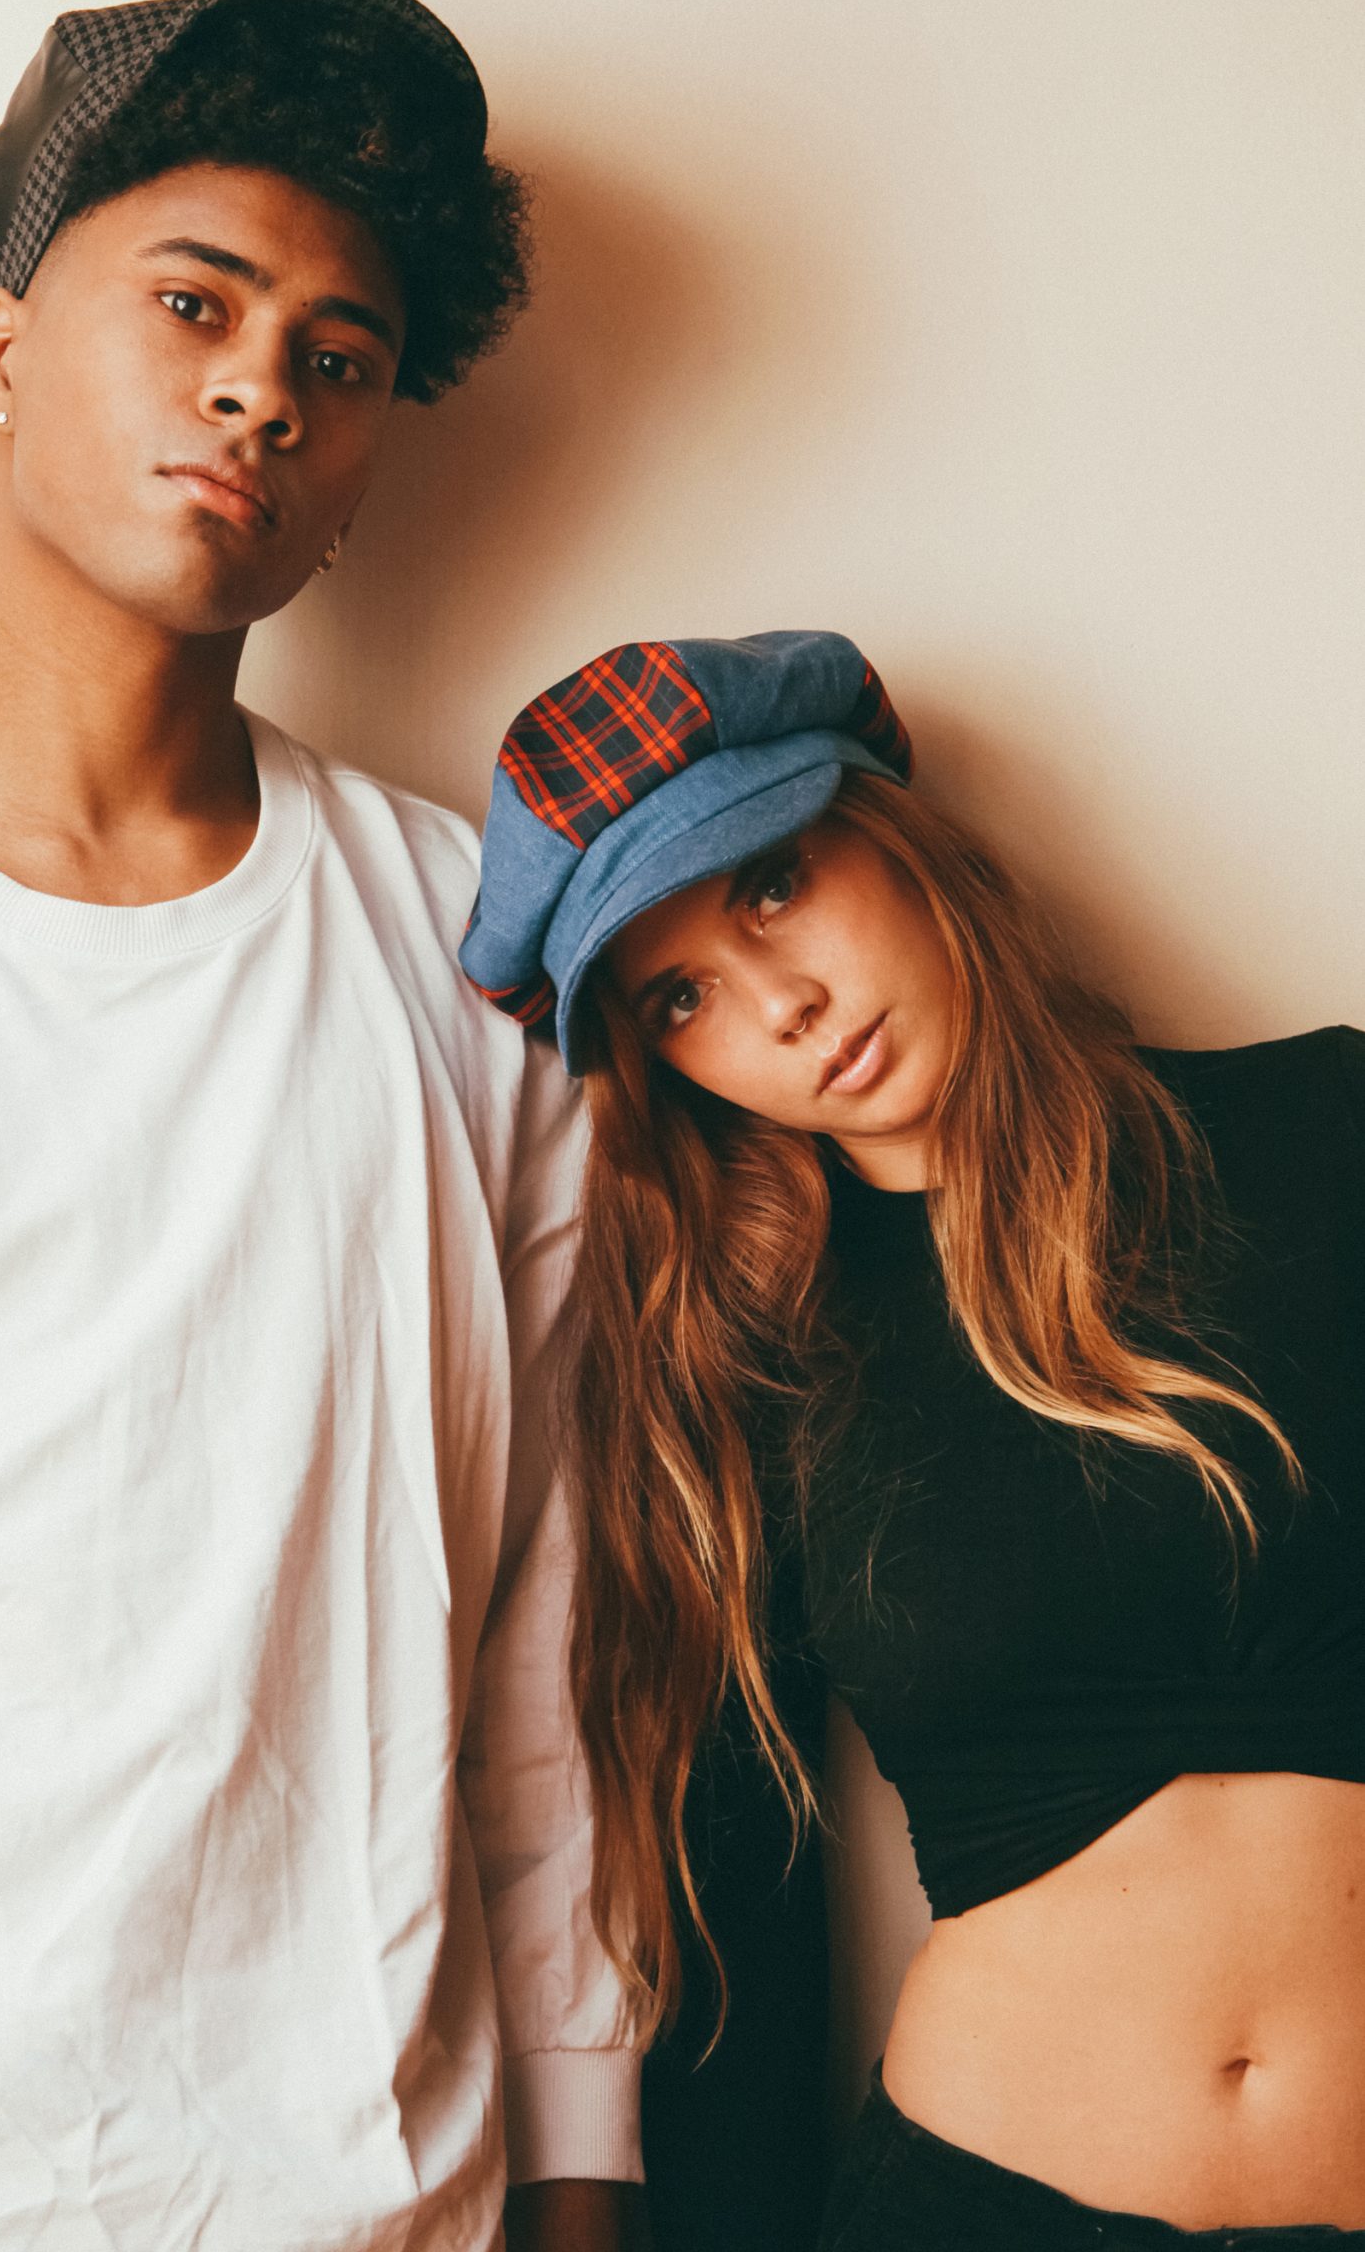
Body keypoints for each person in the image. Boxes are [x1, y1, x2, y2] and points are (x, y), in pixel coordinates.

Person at [0, 0, 643, 2251]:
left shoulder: (473, 961)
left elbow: (539, 1642)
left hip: (357, 2197)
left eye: (340, 357)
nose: (259, 387)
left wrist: (582, 2164)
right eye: (194, 300)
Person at [459, 626, 1365, 2248]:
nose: (784, 1006)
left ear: (888, 829)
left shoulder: (1331, 1130)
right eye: (683, 999)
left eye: (772, 886)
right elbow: (737, 1926)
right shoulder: (750, 1363)